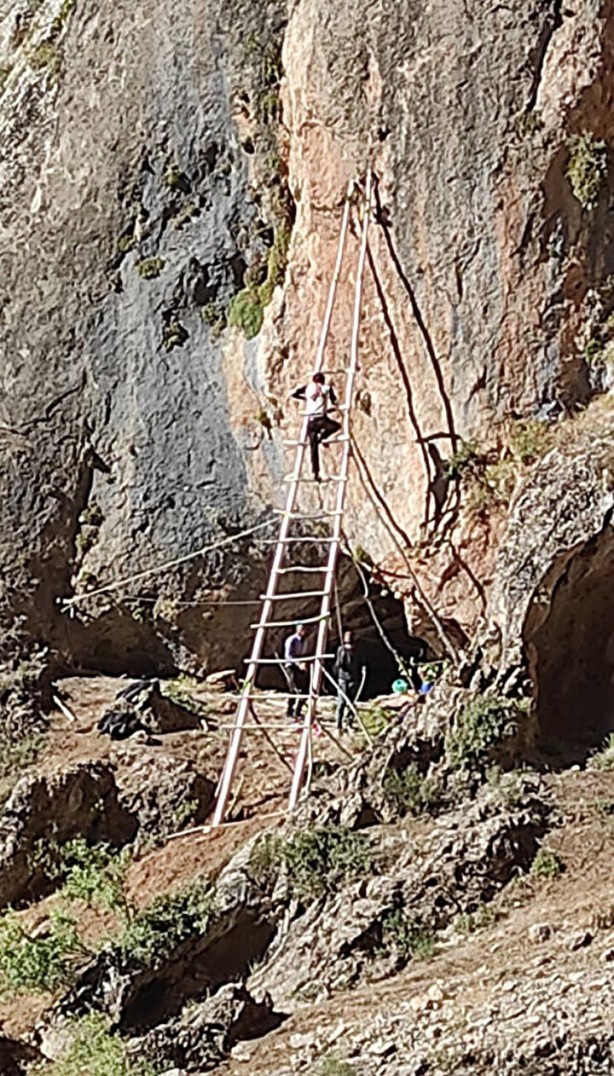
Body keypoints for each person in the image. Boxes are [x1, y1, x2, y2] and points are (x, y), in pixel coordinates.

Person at [291, 373, 341, 481]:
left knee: (313, 449)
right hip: (320, 419)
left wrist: (305, 399)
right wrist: (335, 406)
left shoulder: (308, 388)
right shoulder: (326, 388)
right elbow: (334, 400)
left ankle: (316, 473)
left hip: (310, 421)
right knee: (335, 426)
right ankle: (322, 438)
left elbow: (294, 394)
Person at [334, 630, 366, 730]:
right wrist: (342, 655)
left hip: (354, 678)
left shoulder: (358, 650)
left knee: (352, 702)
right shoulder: (341, 649)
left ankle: (349, 722)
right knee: (342, 702)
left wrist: (363, 668)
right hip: (343, 678)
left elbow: (362, 661)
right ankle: (338, 725)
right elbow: (338, 664)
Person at [283, 623, 309, 719]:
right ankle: (289, 711)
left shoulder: (302, 641)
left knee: (304, 689)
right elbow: (288, 656)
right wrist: (298, 664)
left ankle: (297, 711)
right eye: (302, 629)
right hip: (291, 666)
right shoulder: (292, 640)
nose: (303, 631)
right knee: (293, 689)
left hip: (299, 666)